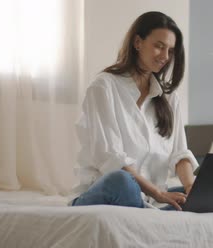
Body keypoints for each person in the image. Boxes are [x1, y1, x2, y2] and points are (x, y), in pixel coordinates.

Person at [70, 11, 199, 211]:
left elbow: (179, 154)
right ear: (138, 42)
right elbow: (110, 157)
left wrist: (192, 187)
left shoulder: (169, 99)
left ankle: (149, 213)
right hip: (109, 192)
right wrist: (157, 193)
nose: (165, 56)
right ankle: (152, 214)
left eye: (171, 50)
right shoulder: (104, 86)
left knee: (199, 195)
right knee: (122, 180)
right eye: (159, 46)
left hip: (151, 200)